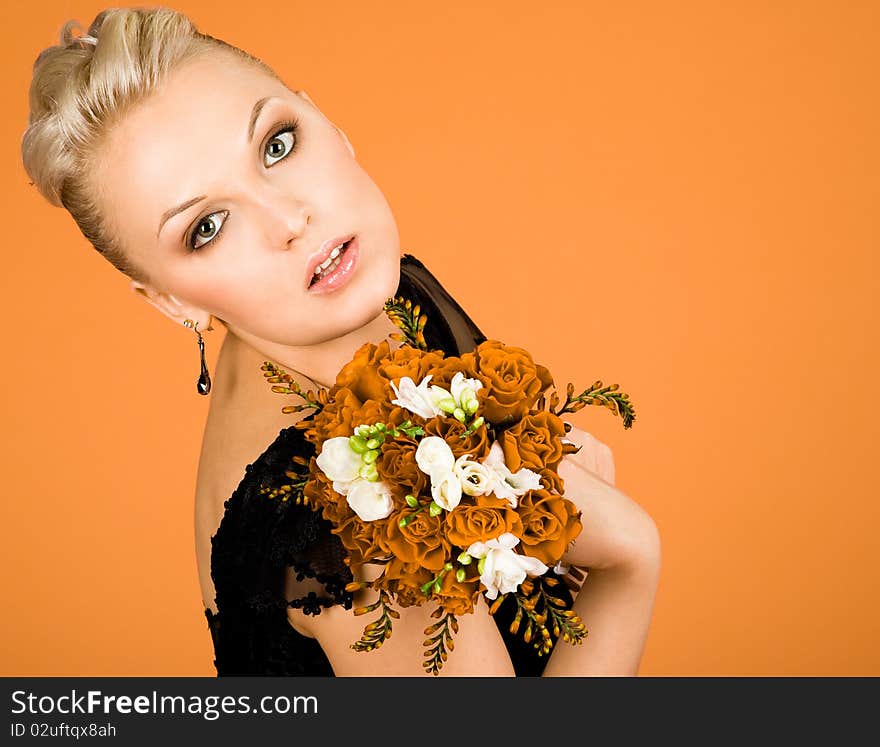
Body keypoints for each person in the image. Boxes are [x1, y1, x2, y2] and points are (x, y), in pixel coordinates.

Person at [21, 7, 661, 676]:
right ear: (170, 301)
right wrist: (627, 560)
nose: (291, 219)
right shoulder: (335, 517)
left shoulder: (389, 299)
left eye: (276, 144)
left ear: (326, 120)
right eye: (207, 227)